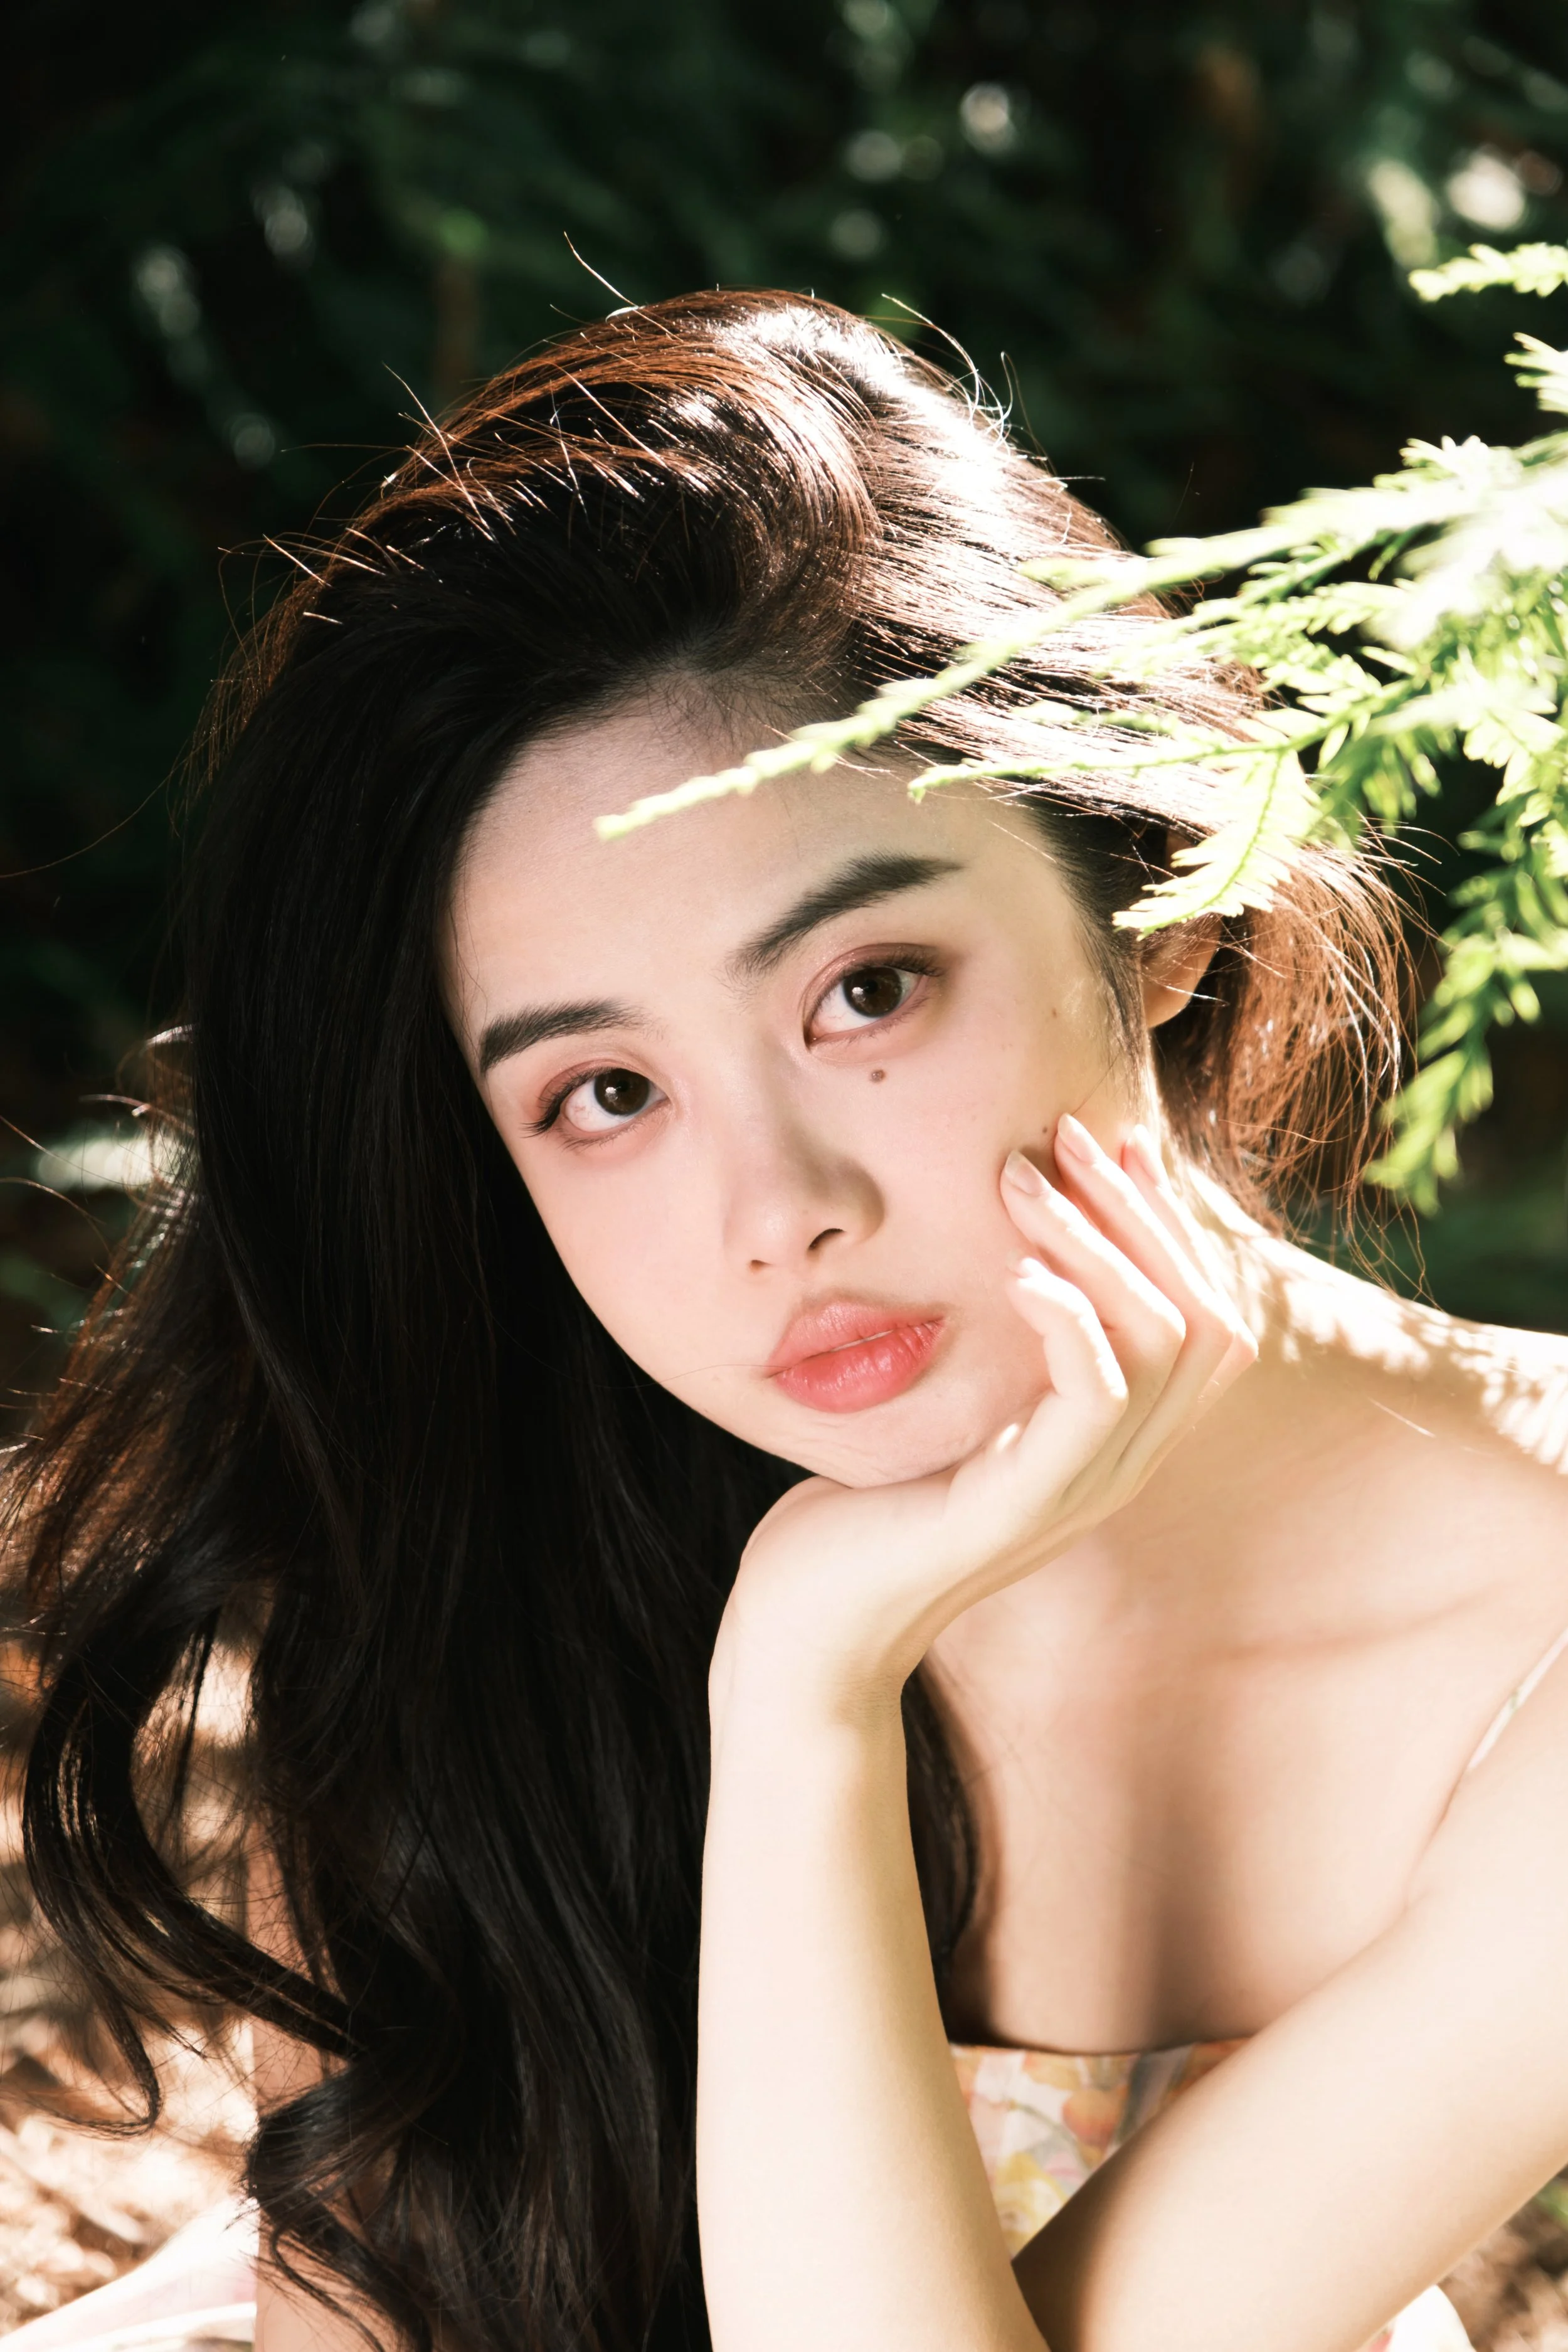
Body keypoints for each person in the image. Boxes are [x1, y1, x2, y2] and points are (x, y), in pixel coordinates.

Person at [9, 289, 1568, 2352]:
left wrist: (808, 1693)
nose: (775, 1218)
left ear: (1170, 901)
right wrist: (800, 1672)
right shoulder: (505, 1504)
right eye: (605, 1094)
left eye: (864, 990)